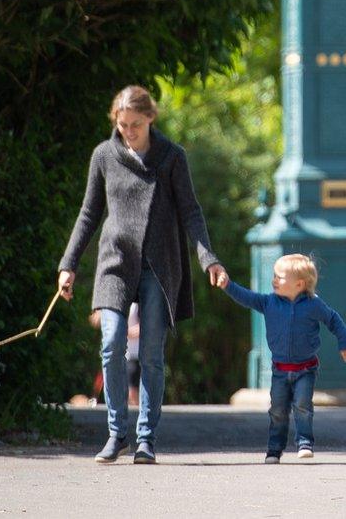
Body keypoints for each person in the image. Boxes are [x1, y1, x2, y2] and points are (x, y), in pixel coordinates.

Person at [57, 85, 228, 465]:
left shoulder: (171, 157)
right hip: (116, 261)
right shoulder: (104, 155)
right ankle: (116, 433)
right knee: (112, 342)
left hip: (159, 262)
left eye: (135, 124)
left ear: (151, 118)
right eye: (122, 125)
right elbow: (89, 214)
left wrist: (209, 260)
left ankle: (146, 438)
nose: (129, 132)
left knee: (150, 354)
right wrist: (68, 264)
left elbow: (191, 212)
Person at [220, 254, 346, 464]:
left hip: (306, 369)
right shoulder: (269, 302)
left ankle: (304, 443)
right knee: (278, 410)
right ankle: (274, 449)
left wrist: (344, 343)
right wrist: (228, 285)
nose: (274, 280)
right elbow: (247, 297)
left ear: (299, 284)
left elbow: (333, 319)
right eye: (274, 275)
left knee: (302, 405)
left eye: (279, 277)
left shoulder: (312, 305)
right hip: (280, 370)